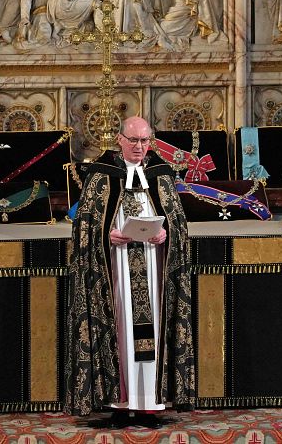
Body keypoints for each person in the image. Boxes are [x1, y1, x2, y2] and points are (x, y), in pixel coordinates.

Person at [64, 116, 195, 428]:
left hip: (154, 270)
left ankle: (150, 404)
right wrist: (104, 234)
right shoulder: (101, 173)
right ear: (119, 139)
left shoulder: (160, 173)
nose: (140, 147)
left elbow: (178, 221)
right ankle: (119, 404)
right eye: (134, 140)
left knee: (153, 333)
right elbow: (83, 224)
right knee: (120, 331)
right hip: (116, 269)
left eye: (145, 141)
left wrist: (169, 236)